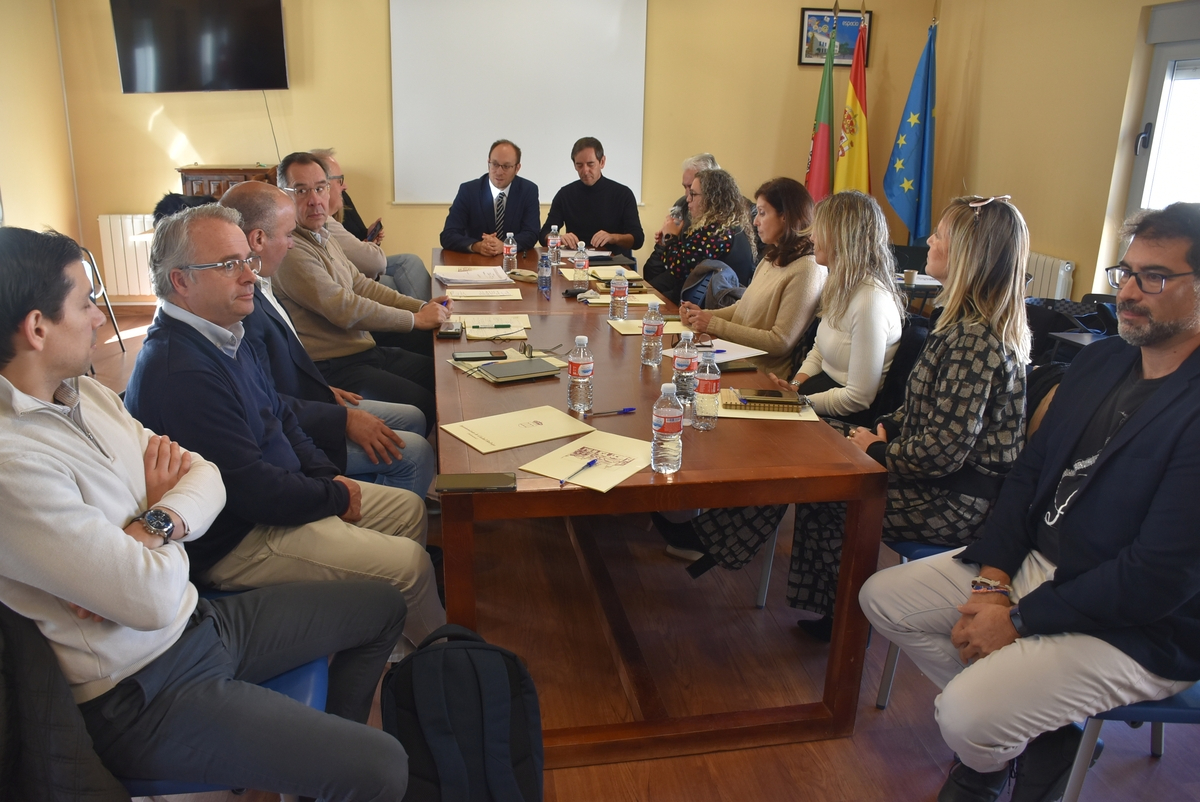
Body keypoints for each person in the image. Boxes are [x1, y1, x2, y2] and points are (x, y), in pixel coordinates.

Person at [0, 226, 410, 798]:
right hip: (142, 691)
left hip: (199, 624)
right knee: (383, 766)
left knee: (383, 607)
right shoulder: (12, 466)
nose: (100, 316)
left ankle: (314, 771)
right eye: (86, 301)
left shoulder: (86, 396)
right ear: (37, 327)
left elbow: (207, 475)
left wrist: (152, 525)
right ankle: (329, 767)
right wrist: (167, 519)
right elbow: (147, 598)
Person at [860, 202, 1200, 802]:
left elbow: (1157, 579)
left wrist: (1017, 621)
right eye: (1126, 272)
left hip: (1140, 623)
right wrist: (992, 585)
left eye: (1155, 277)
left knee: (964, 715)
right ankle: (1047, 735)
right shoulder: (1102, 359)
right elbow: (1028, 476)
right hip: (1039, 565)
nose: (1127, 291)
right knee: (885, 599)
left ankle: (988, 764)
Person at [124, 203, 446, 654]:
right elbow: (248, 489)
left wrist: (324, 479)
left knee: (409, 512)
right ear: (181, 281)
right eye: (228, 265)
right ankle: (439, 656)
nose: (249, 276)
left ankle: (386, 632)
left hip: (283, 493)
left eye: (246, 261)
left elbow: (280, 415)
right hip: (241, 536)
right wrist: (332, 496)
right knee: (409, 564)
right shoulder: (181, 372)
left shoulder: (223, 330)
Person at [219, 180, 436, 498]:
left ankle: (387, 494)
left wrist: (322, 391)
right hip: (297, 428)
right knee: (416, 451)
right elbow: (267, 404)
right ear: (259, 239)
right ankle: (385, 514)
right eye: (288, 234)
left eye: (322, 187)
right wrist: (342, 418)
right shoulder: (241, 308)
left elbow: (280, 372)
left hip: (313, 396)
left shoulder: (262, 286)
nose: (292, 244)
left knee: (416, 414)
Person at [272, 151, 451, 429]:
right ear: (282, 195)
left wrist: (420, 307)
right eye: (301, 190)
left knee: (443, 374)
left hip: (363, 350)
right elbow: (343, 307)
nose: (314, 199)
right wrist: (415, 320)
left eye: (320, 188)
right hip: (335, 366)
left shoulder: (322, 232)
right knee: (424, 403)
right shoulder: (291, 249)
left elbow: (361, 284)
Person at [678, 177, 826, 379]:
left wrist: (713, 324)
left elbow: (779, 342)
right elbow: (742, 308)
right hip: (737, 357)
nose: (755, 221)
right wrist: (701, 315)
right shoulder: (772, 257)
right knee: (679, 364)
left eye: (763, 213)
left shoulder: (807, 269)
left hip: (761, 375)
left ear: (786, 217)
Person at [311, 147, 432, 301]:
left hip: (357, 271)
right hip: (354, 279)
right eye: (340, 180)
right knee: (402, 279)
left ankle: (430, 316)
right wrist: (368, 248)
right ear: (323, 185)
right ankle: (431, 319)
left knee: (410, 262)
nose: (345, 186)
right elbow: (374, 263)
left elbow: (359, 250)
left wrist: (367, 241)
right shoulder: (324, 222)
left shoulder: (334, 210)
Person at [647, 168, 757, 306]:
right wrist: (667, 242)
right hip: (708, 301)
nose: (688, 199)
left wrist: (671, 237)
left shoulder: (716, 233)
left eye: (693, 194)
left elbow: (678, 270)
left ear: (711, 198)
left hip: (713, 307)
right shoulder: (728, 226)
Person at [538, 137, 644, 259]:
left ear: (602, 162)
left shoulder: (623, 194)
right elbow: (544, 235)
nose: (585, 171)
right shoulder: (565, 194)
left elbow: (638, 239)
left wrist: (613, 237)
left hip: (612, 262)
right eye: (579, 165)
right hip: (575, 262)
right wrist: (558, 238)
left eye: (590, 164)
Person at [440, 139, 540, 255]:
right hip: (475, 262)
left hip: (513, 262)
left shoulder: (528, 190)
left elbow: (531, 233)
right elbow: (448, 234)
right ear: (488, 162)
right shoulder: (469, 190)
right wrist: (477, 246)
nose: (498, 172)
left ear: (517, 168)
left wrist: (505, 245)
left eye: (506, 166)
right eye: (495, 164)